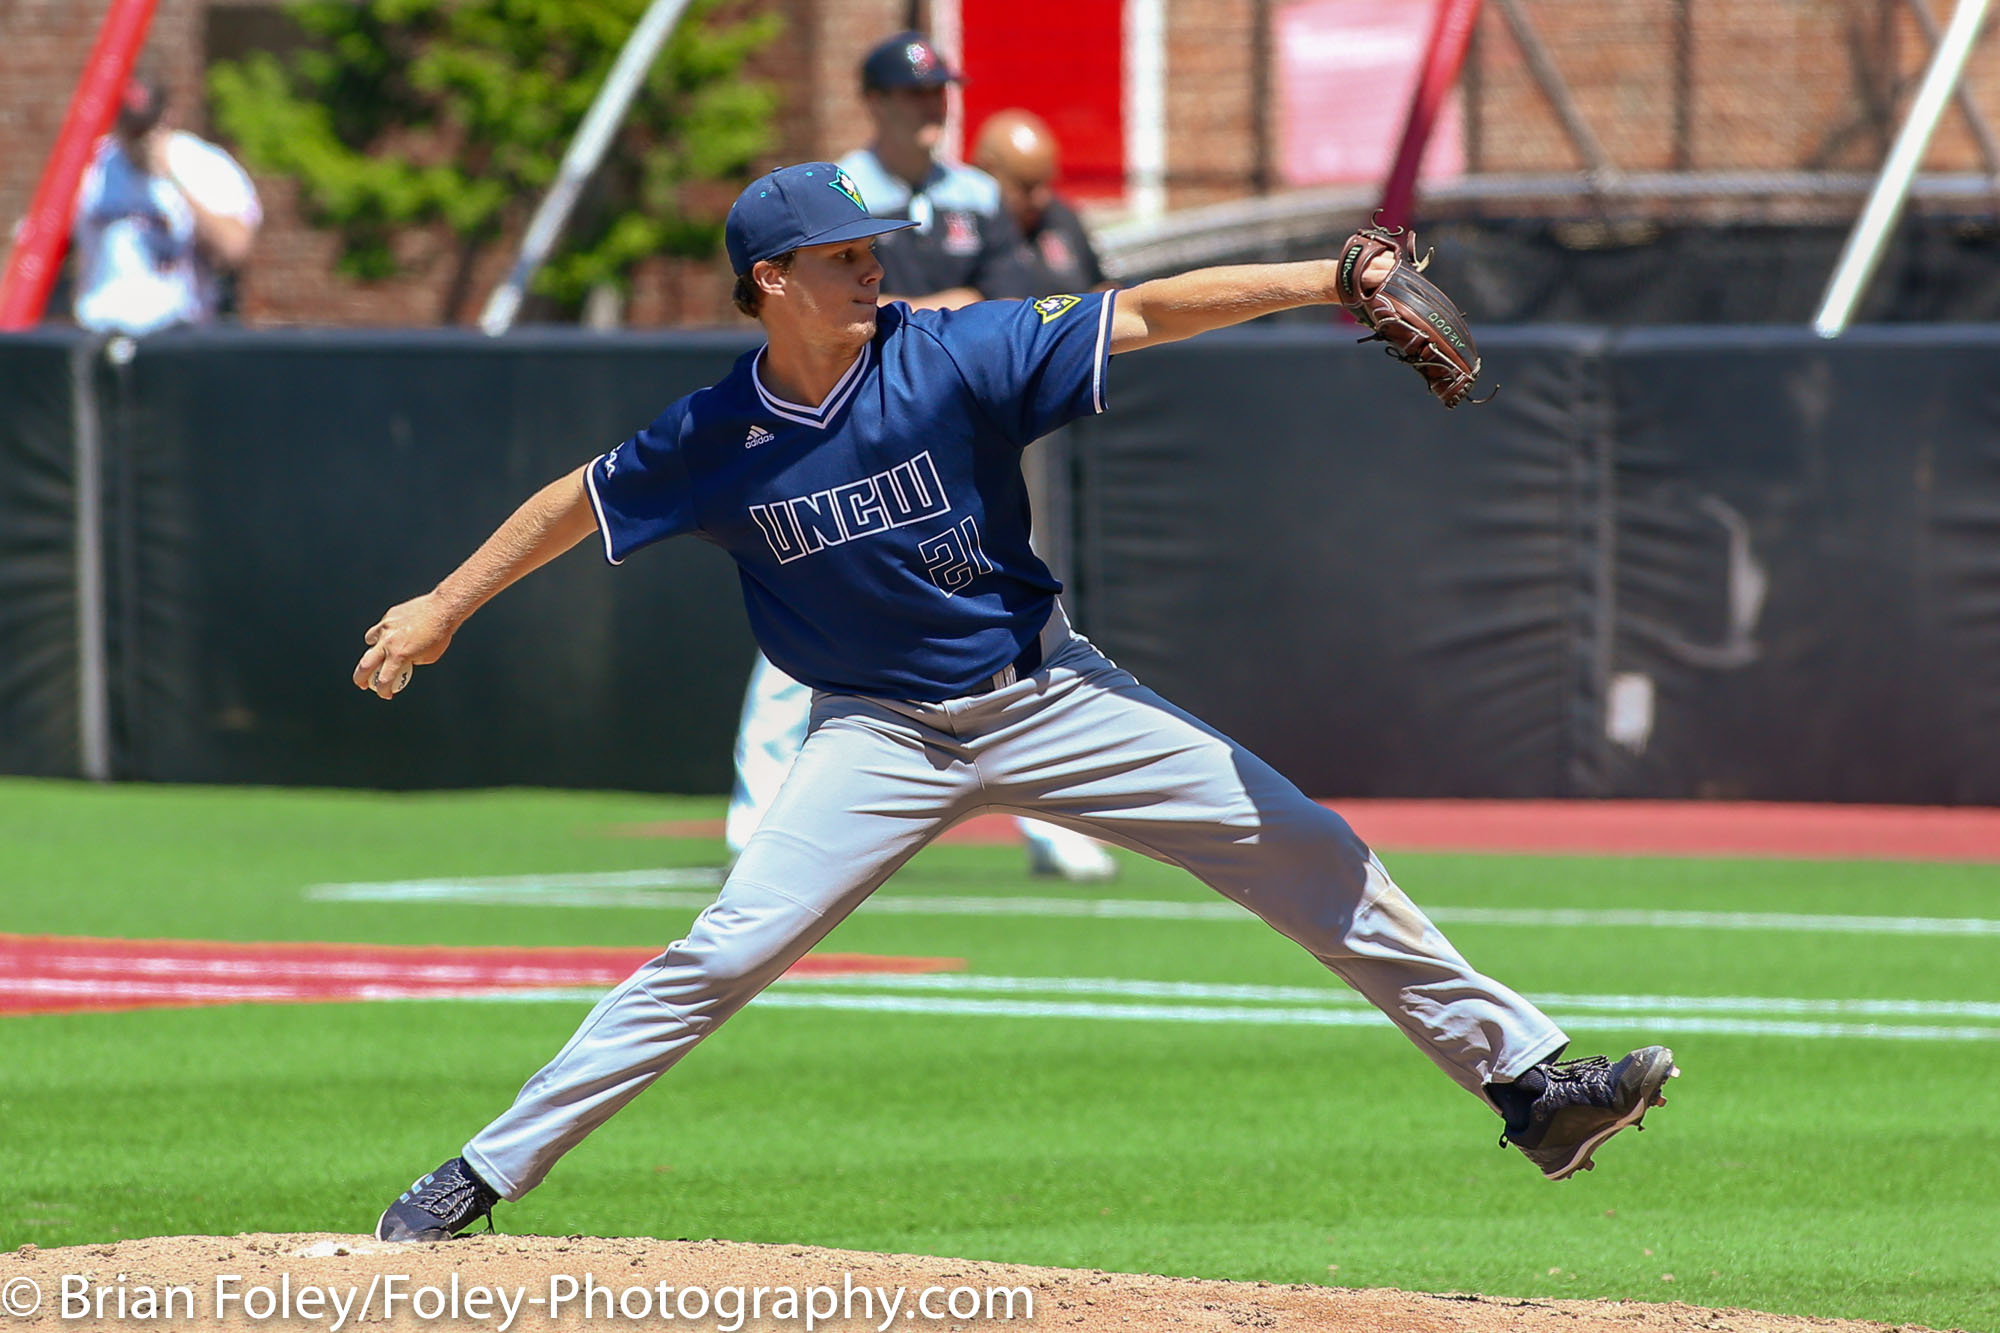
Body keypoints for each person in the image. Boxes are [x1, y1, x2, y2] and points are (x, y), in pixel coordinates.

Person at [357, 161, 1679, 1242]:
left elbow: (1144, 312)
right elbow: (574, 501)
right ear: (770, 281)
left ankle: (1530, 1089)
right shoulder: (714, 436)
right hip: (876, 735)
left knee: (1309, 848)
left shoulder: (950, 352)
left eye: (873, 251)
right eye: (842, 258)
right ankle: (479, 1173)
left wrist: (1333, 277)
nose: (872, 270)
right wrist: (442, 605)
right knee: (723, 952)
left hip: (1047, 694)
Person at [836, 31, 1024, 310]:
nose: (932, 106)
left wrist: (894, 307)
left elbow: (1008, 306)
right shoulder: (842, 191)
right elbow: (838, 305)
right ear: (876, 102)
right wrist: (961, 303)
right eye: (915, 93)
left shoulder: (980, 194)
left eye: (938, 91)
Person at [70, 71, 261, 336]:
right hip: (101, 328)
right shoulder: (90, 167)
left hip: (177, 330)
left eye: (147, 128)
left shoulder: (201, 164)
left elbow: (234, 247)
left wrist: (173, 178)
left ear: (167, 117)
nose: (140, 139)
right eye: (132, 129)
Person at [972, 108, 1110, 297]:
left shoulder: (1061, 218)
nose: (1041, 199)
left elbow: (1098, 287)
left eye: (1047, 183)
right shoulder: (967, 234)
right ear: (987, 171)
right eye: (1027, 186)